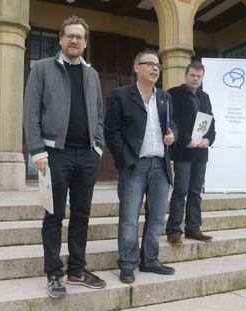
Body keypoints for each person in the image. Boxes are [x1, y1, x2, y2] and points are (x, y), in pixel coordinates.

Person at [23, 16, 106, 299]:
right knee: (53, 216)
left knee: (81, 214)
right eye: (69, 36)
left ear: (85, 42)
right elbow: (31, 112)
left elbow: (98, 116)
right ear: (60, 39)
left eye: (79, 37)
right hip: (54, 155)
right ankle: (54, 273)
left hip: (86, 155)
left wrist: (97, 147)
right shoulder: (43, 69)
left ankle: (76, 270)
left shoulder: (91, 74)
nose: (74, 41)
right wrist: (37, 150)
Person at [104, 49, 177, 284]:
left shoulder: (165, 97)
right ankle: (127, 263)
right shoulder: (121, 95)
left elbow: (172, 124)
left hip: (161, 165)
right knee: (129, 217)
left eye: (158, 65)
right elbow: (111, 132)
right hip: (135, 165)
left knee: (156, 217)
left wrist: (173, 134)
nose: (156, 68)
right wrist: (125, 161)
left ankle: (150, 260)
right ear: (137, 67)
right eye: (150, 64)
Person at [166, 60, 216, 246]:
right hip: (183, 151)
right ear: (185, 76)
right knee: (180, 191)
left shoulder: (205, 97)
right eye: (192, 76)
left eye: (199, 76)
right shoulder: (174, 94)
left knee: (195, 192)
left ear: (202, 78)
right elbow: (172, 121)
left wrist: (208, 140)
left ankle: (193, 229)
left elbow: (211, 122)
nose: (195, 79)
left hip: (201, 153)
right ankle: (173, 231)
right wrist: (186, 139)